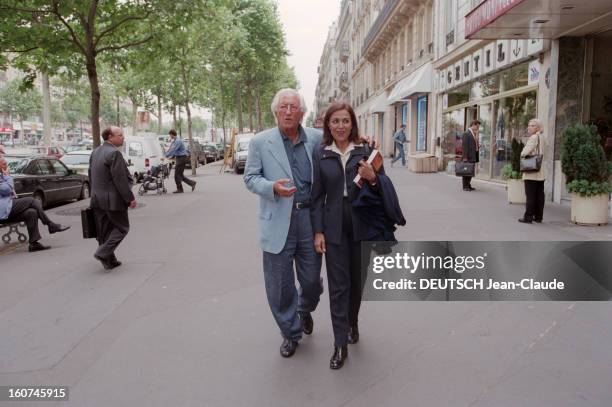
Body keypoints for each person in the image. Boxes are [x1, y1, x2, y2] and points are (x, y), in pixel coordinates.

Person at [311, 102, 403, 370]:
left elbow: (383, 187)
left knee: (356, 281)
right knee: (338, 285)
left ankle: (352, 322)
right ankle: (340, 343)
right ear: (328, 125)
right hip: (334, 224)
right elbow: (316, 197)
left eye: (345, 121)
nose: (340, 126)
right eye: (335, 121)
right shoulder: (321, 153)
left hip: (362, 222)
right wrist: (318, 230)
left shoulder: (366, 150)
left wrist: (372, 177)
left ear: (353, 124)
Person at [244, 89, 324, 358]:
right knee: (279, 285)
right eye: (283, 107)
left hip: (310, 219)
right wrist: (271, 187)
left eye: (293, 107)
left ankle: (303, 309)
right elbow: (250, 178)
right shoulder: (260, 142)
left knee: (311, 281)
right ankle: (290, 332)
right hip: (277, 218)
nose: (288, 111)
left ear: (302, 112)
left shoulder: (316, 138)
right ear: (275, 111)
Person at [89, 126, 136, 270]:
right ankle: (103, 253)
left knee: (104, 231)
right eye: (120, 135)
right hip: (112, 199)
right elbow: (120, 180)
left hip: (97, 198)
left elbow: (91, 176)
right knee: (122, 228)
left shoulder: (95, 152)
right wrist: (130, 198)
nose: (123, 137)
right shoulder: (114, 153)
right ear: (110, 137)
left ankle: (110, 261)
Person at [0, 156, 70, 251]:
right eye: (4, 164)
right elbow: (7, 190)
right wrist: (7, 176)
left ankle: (34, 243)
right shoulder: (4, 176)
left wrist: (5, 176)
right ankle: (50, 224)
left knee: (31, 212)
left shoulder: (2, 175)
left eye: (6, 164)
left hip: (6, 209)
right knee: (32, 201)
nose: (6, 166)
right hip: (3, 210)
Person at [519, 119, 546, 224]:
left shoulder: (533, 137)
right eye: (529, 125)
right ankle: (539, 217)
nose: (529, 127)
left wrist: (523, 152)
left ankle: (528, 217)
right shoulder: (543, 137)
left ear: (538, 127)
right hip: (541, 170)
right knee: (539, 194)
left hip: (532, 170)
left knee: (530, 195)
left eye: (532, 125)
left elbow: (524, 153)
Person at [165, 129, 196, 194]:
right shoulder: (174, 141)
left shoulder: (178, 141)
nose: (170, 136)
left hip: (182, 158)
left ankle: (180, 189)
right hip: (179, 158)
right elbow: (171, 149)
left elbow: (174, 150)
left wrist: (166, 156)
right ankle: (192, 183)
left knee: (176, 175)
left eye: (170, 135)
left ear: (172, 134)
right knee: (180, 175)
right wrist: (168, 155)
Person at [461, 120, 481, 191]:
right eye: (477, 126)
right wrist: (465, 157)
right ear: (473, 125)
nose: (478, 128)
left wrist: (477, 146)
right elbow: (464, 146)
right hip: (468, 156)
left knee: (470, 171)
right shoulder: (466, 133)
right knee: (466, 171)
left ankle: (468, 185)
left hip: (473, 155)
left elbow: (472, 144)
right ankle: (465, 186)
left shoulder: (473, 133)